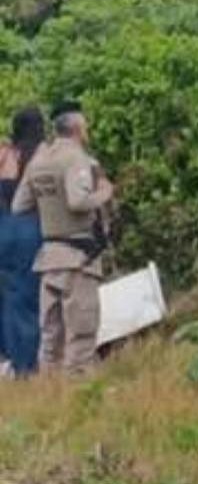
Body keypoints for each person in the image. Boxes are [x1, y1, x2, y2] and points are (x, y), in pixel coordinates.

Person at [12, 102, 113, 376]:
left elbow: (19, 205)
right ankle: (78, 398)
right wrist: (105, 192)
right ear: (78, 127)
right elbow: (78, 201)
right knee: (80, 335)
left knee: (50, 339)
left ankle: (49, 396)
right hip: (78, 258)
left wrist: (48, 206)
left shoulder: (39, 161)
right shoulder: (77, 159)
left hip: (48, 259)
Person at [0, 108, 45, 376]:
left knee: (13, 299)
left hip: (7, 230)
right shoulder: (45, 153)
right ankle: (32, 363)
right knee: (39, 298)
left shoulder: (9, 152)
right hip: (34, 228)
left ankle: (18, 362)